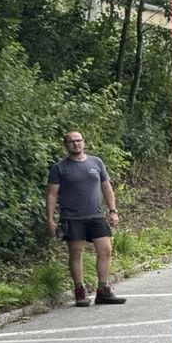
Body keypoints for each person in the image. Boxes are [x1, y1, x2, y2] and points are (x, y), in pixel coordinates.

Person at [45, 130, 128, 307]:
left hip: (96, 215)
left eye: (78, 140)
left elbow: (106, 187)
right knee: (75, 252)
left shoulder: (96, 163)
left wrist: (113, 211)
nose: (76, 144)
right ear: (65, 145)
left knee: (105, 249)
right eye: (71, 142)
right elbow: (52, 195)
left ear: (84, 142)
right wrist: (50, 219)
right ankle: (79, 291)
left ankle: (103, 290)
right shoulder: (59, 168)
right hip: (72, 217)